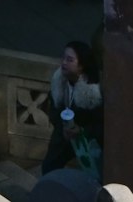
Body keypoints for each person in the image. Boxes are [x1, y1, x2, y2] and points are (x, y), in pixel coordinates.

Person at [41, 40, 103, 178]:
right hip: (63, 135)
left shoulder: (93, 94)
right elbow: (53, 110)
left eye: (70, 60)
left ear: (81, 66)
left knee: (95, 174)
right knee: (49, 166)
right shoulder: (59, 82)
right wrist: (62, 127)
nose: (64, 63)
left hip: (87, 140)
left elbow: (101, 124)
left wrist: (81, 131)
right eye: (63, 58)